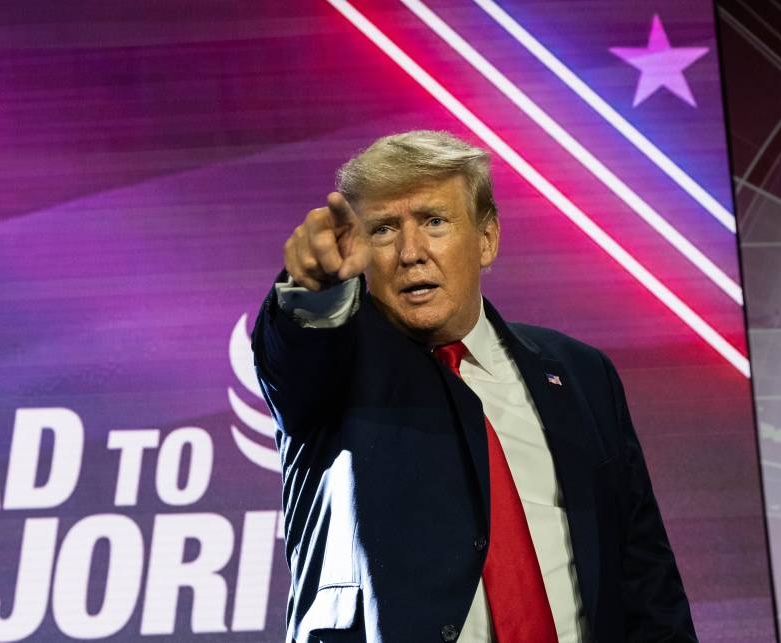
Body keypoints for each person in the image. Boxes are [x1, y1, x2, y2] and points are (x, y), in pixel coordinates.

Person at [252, 130, 696, 643]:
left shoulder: (581, 375)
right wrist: (313, 291)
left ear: (487, 239)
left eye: (434, 222)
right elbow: (298, 349)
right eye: (384, 229)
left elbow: (645, 577)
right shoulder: (336, 369)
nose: (410, 252)